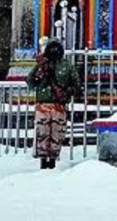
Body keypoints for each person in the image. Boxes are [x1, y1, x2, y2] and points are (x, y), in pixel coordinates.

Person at [26, 40, 79, 170]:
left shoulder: (66, 66)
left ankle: (53, 161)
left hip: (58, 104)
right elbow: (30, 81)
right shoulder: (42, 65)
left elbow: (76, 85)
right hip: (44, 103)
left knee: (56, 134)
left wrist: (66, 92)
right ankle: (44, 162)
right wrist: (39, 75)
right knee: (43, 133)